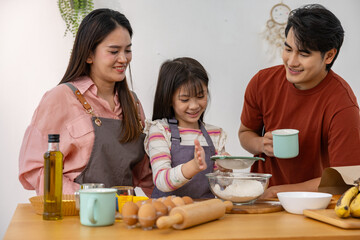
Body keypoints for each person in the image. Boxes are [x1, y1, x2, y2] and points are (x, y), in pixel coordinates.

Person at [19, 9, 153, 196]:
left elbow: (144, 174)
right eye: (114, 51)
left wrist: (183, 175)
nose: (123, 59)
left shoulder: (133, 103)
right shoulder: (60, 98)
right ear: (89, 55)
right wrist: (90, 198)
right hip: (74, 218)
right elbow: (36, 169)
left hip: (122, 219)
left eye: (128, 50)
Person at [238, 4, 360, 199]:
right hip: (264, 201)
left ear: (329, 55)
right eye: (288, 49)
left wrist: (276, 192)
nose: (291, 61)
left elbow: (345, 179)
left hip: (314, 204)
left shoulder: (342, 105)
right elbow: (245, 133)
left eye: (303, 54)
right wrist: (261, 144)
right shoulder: (262, 82)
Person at [144, 57, 228, 198]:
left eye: (201, 96)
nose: (194, 105)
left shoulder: (215, 134)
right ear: (169, 98)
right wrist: (193, 167)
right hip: (168, 213)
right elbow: (161, 181)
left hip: (203, 212)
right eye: (185, 99)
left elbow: (220, 187)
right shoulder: (160, 130)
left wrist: (226, 171)